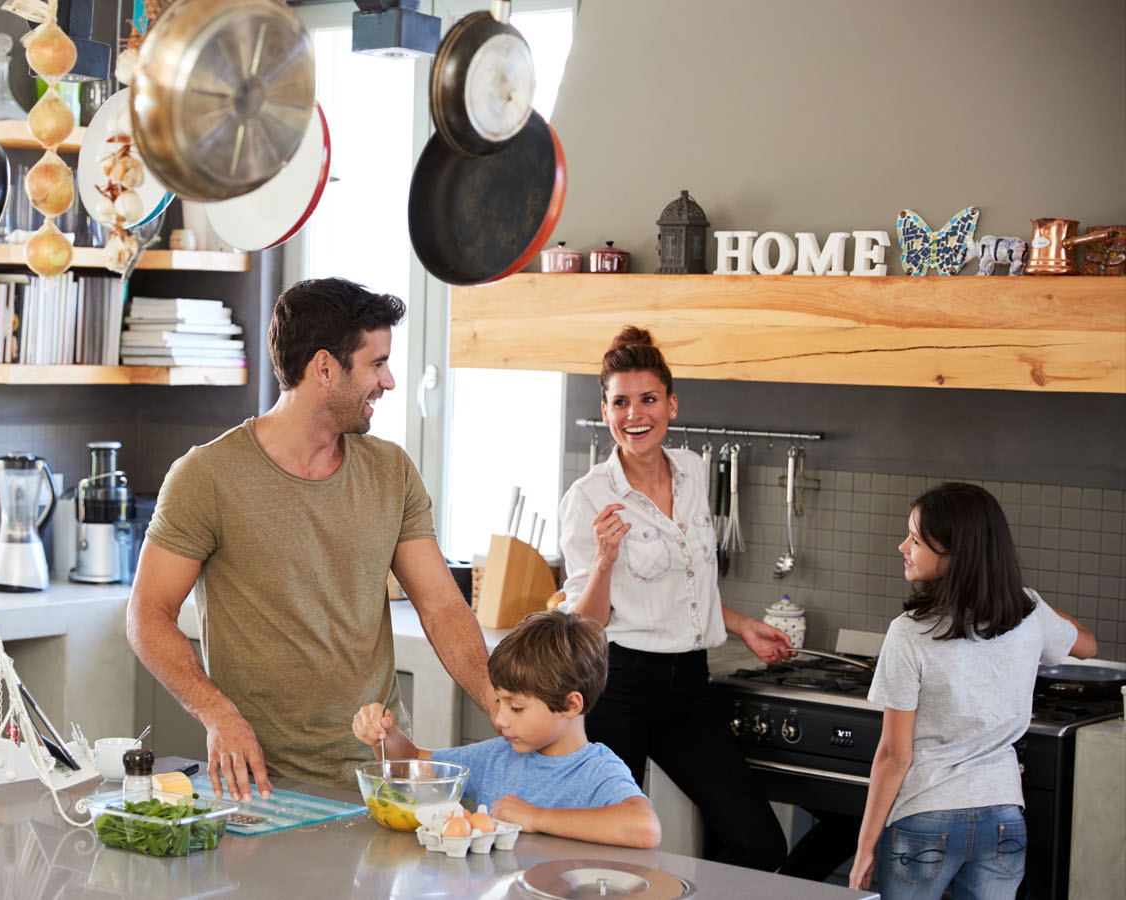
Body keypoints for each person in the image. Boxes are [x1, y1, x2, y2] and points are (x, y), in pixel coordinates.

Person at [127, 277, 495, 802]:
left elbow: (439, 604)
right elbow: (147, 613)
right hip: (262, 785)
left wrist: (494, 700)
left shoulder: (391, 470)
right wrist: (216, 713)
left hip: (377, 779)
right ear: (324, 368)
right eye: (377, 363)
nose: (389, 381)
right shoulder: (207, 475)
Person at [555, 325, 793, 871]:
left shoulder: (692, 469)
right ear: (606, 408)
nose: (634, 415)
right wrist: (606, 560)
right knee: (610, 854)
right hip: (619, 685)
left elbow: (686, 584)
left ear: (672, 403)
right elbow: (586, 626)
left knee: (760, 842)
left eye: (648, 399)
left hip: (688, 685)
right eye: (620, 402)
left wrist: (739, 624)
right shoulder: (588, 497)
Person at [848, 483, 1096, 899]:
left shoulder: (910, 633)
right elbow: (1087, 645)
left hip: (924, 818)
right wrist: (1032, 605)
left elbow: (895, 755)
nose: (902, 546)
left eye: (916, 539)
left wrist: (864, 846)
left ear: (954, 555)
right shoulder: (1028, 611)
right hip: (1002, 818)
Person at [353, 609, 661, 848]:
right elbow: (414, 765)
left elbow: (645, 827)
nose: (500, 719)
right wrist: (386, 736)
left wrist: (537, 818)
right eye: (499, 702)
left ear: (571, 705)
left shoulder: (597, 771)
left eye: (517, 708)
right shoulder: (496, 756)